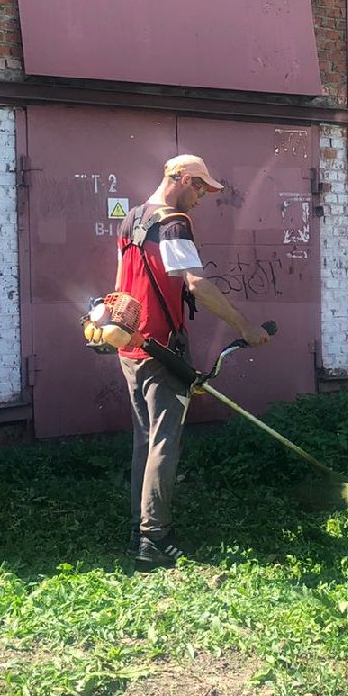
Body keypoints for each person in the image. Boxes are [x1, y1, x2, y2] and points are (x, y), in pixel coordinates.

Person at [115, 154, 270, 569]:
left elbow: (120, 285)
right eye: (200, 187)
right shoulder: (173, 223)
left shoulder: (131, 219)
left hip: (130, 345)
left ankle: (138, 528)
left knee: (145, 440)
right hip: (161, 349)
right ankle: (154, 538)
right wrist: (244, 325)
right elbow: (196, 284)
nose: (202, 197)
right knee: (164, 442)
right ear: (181, 179)